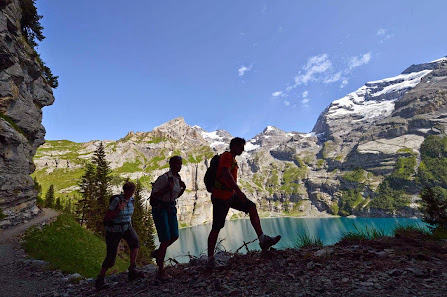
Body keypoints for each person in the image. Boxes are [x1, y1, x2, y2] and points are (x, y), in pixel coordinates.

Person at [207, 137, 281, 267]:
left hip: (230, 195)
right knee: (216, 227)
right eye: (241, 146)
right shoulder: (227, 156)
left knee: (251, 206)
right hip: (221, 197)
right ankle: (210, 259)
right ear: (234, 146)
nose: (243, 149)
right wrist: (238, 191)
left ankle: (262, 239)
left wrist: (235, 192)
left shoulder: (232, 159)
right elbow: (225, 173)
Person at [95, 181, 143, 290]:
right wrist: (118, 209)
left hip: (126, 226)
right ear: (125, 190)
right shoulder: (117, 200)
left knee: (135, 243)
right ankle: (100, 279)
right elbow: (107, 217)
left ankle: (132, 269)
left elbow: (130, 215)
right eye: (130, 191)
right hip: (114, 229)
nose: (131, 193)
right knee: (111, 256)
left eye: (133, 191)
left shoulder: (132, 200)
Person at [150, 155, 186, 280]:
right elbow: (154, 194)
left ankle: (158, 253)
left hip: (171, 207)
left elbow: (175, 195)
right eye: (177, 164)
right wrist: (167, 188)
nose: (179, 166)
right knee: (165, 240)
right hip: (161, 209)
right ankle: (161, 271)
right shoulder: (164, 178)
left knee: (175, 235)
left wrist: (183, 189)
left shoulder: (177, 178)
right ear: (171, 165)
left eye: (180, 164)